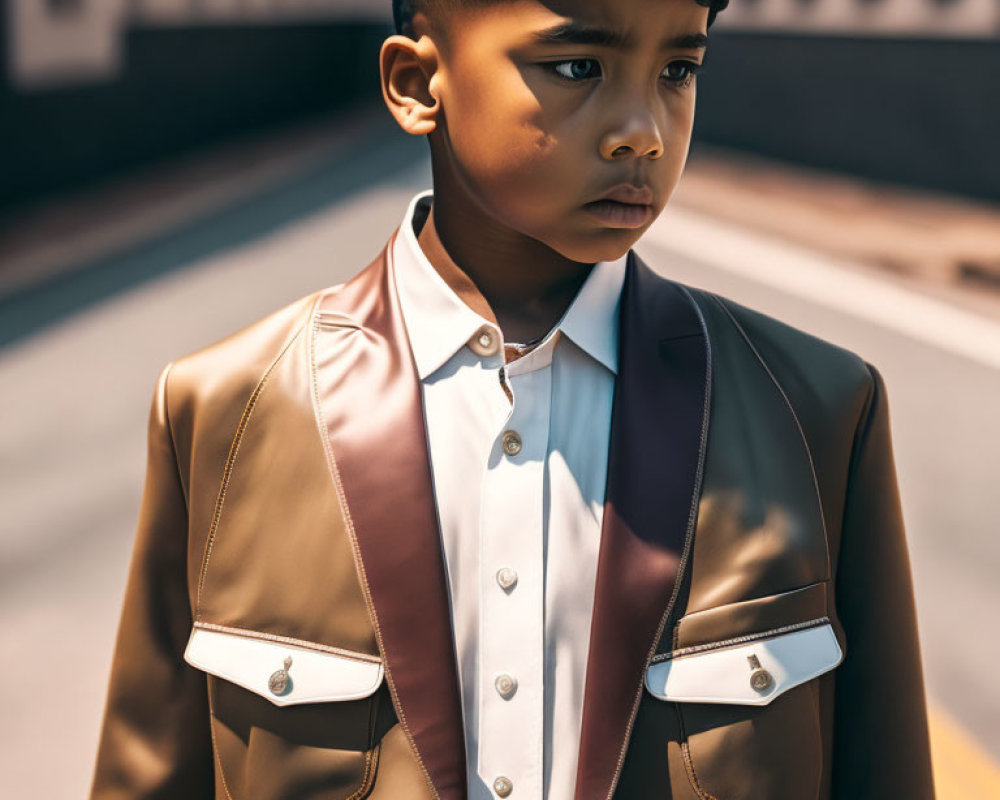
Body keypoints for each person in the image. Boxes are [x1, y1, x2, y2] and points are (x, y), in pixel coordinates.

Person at [89, 0, 936, 798]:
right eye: (576, 67)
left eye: (679, 69)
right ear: (418, 85)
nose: (642, 131)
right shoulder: (224, 414)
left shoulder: (820, 411)